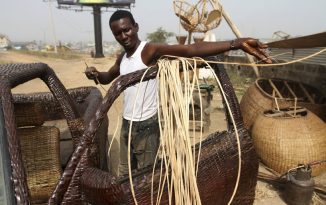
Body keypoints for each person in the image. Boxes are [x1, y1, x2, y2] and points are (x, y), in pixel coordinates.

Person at [85, 10, 271, 176]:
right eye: (118, 33)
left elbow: (191, 50)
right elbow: (107, 77)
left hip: (146, 126)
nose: (123, 36)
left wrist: (235, 43)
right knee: (125, 173)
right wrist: (95, 74)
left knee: (144, 176)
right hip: (127, 123)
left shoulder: (149, 51)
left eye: (127, 30)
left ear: (136, 27)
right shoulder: (122, 58)